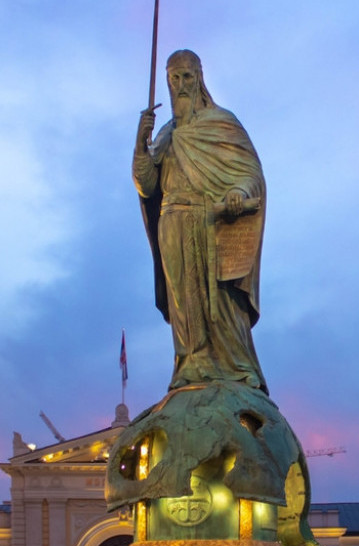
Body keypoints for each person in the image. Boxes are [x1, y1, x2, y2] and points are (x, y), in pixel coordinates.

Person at [132, 49, 267, 393]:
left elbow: (250, 172)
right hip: (172, 223)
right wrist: (140, 143)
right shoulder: (165, 134)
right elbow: (146, 184)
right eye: (173, 78)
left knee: (218, 302)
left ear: (200, 78)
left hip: (210, 223)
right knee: (184, 304)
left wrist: (237, 190)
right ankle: (189, 368)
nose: (180, 86)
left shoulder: (221, 123)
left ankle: (237, 370)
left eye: (187, 77)